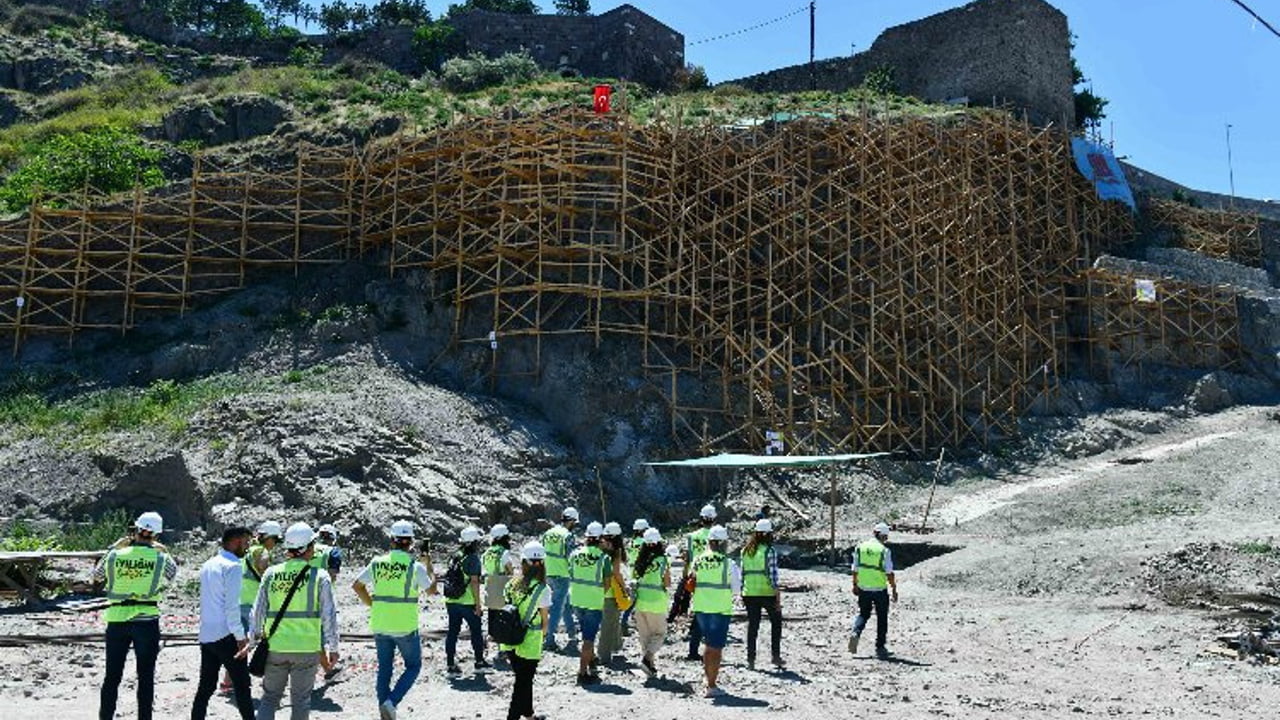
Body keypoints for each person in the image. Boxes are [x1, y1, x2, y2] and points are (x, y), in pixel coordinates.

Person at [245, 522, 341, 720]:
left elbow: (258, 611)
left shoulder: (271, 573)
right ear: (307, 548)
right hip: (306, 648)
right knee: (301, 701)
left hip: (276, 647)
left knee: (270, 698)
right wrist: (333, 646)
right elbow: (329, 614)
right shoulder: (320, 576)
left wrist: (252, 642)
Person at [95, 511, 178, 720]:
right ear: (156, 535)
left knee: (112, 677)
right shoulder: (161, 557)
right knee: (146, 676)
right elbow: (172, 574)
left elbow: (96, 576)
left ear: (135, 531)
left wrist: (114, 547)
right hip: (146, 620)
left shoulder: (115, 555)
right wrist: (163, 550)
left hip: (117, 620)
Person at [353, 520, 434, 720]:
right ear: (411, 543)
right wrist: (429, 565)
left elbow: (357, 586)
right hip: (405, 626)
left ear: (392, 540)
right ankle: (391, 702)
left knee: (385, 669)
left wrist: (372, 605)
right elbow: (432, 590)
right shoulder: (415, 566)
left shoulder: (377, 562)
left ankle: (384, 708)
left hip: (381, 623)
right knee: (413, 666)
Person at [192, 526, 255, 720]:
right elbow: (231, 606)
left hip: (207, 634)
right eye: (245, 543)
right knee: (243, 687)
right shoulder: (233, 565)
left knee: (205, 688)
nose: (247, 548)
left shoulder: (208, 564)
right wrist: (241, 637)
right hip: (227, 635)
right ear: (235, 541)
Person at [500, 541, 551, 720]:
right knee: (522, 683)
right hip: (529, 641)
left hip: (509, 639)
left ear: (523, 562)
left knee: (523, 679)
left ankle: (528, 714)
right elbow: (545, 622)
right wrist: (542, 636)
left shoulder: (511, 584)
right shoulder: (543, 589)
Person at [689, 524, 740, 699]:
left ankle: (707, 678)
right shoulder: (728, 563)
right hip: (720, 609)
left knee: (708, 645)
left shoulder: (698, 560)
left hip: (701, 608)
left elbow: (691, 582)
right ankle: (711, 685)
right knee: (715, 648)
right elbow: (736, 589)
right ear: (723, 543)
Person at [567, 521, 615, 685]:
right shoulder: (604, 558)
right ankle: (582, 672)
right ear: (600, 538)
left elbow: (570, 573)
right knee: (588, 639)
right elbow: (608, 584)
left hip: (576, 600)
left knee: (585, 633)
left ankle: (592, 660)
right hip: (593, 602)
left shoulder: (574, 554)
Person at [445, 526, 490, 674]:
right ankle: (479, 662)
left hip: (452, 600)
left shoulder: (455, 555)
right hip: (467, 601)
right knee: (476, 631)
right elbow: (474, 582)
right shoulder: (473, 559)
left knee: (452, 632)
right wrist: (478, 604)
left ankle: (451, 665)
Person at [849, 522, 898, 660]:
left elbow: (855, 569)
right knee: (882, 617)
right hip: (879, 589)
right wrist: (894, 589)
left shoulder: (860, 548)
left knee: (864, 614)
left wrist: (855, 585)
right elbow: (889, 573)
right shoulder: (884, 551)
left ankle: (856, 633)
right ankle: (880, 646)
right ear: (884, 536)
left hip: (863, 588)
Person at [741, 518, 784, 670]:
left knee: (753, 626)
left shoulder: (745, 551)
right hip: (766, 593)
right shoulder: (769, 551)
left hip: (749, 593)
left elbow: (743, 573)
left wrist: (742, 591)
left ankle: (751, 659)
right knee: (776, 622)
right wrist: (777, 596)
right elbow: (773, 576)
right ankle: (775, 656)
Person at [631, 527, 671, 678]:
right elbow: (667, 582)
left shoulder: (639, 560)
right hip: (656, 601)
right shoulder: (662, 560)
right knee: (659, 634)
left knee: (645, 636)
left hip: (641, 601)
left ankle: (650, 668)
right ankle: (647, 659)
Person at [539, 507, 579, 650]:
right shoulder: (567, 536)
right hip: (562, 574)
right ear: (572, 521)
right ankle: (549, 639)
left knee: (565, 604)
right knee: (556, 607)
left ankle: (572, 633)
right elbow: (571, 556)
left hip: (547, 573)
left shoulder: (548, 533)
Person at [682, 504, 717, 661]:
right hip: (711, 575)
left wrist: (685, 575)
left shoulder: (691, 536)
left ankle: (694, 636)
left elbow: (688, 557)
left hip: (694, 575)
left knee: (697, 606)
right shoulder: (716, 536)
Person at [311, 523, 343, 679]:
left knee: (314, 635)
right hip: (323, 595)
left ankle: (327, 668)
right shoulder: (332, 552)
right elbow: (332, 574)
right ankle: (329, 666)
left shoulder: (306, 547)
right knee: (325, 632)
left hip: (303, 594)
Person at [482, 524, 517, 666]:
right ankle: (503, 650)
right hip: (502, 587)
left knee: (493, 619)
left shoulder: (487, 553)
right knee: (505, 620)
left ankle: (495, 647)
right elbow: (510, 571)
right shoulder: (504, 553)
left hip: (490, 587)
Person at [596, 521, 628, 665]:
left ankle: (616, 646)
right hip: (611, 591)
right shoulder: (616, 551)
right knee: (609, 623)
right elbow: (616, 573)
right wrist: (624, 588)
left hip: (596, 589)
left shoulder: (598, 547)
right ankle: (604, 655)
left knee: (612, 620)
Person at [619, 519, 649, 633]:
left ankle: (625, 621)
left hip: (632, 572)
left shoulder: (631, 542)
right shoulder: (644, 542)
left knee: (633, 599)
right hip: (641, 572)